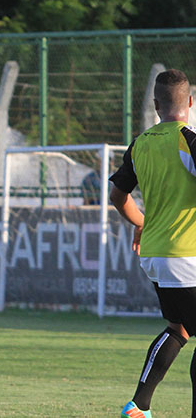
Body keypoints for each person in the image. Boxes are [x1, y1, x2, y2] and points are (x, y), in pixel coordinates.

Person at [109, 69, 196, 418]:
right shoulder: (188, 140)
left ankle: (138, 406)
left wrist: (143, 223)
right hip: (187, 254)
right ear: (190, 103)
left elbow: (118, 195)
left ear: (156, 104)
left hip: (156, 254)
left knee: (179, 329)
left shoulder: (140, 144)